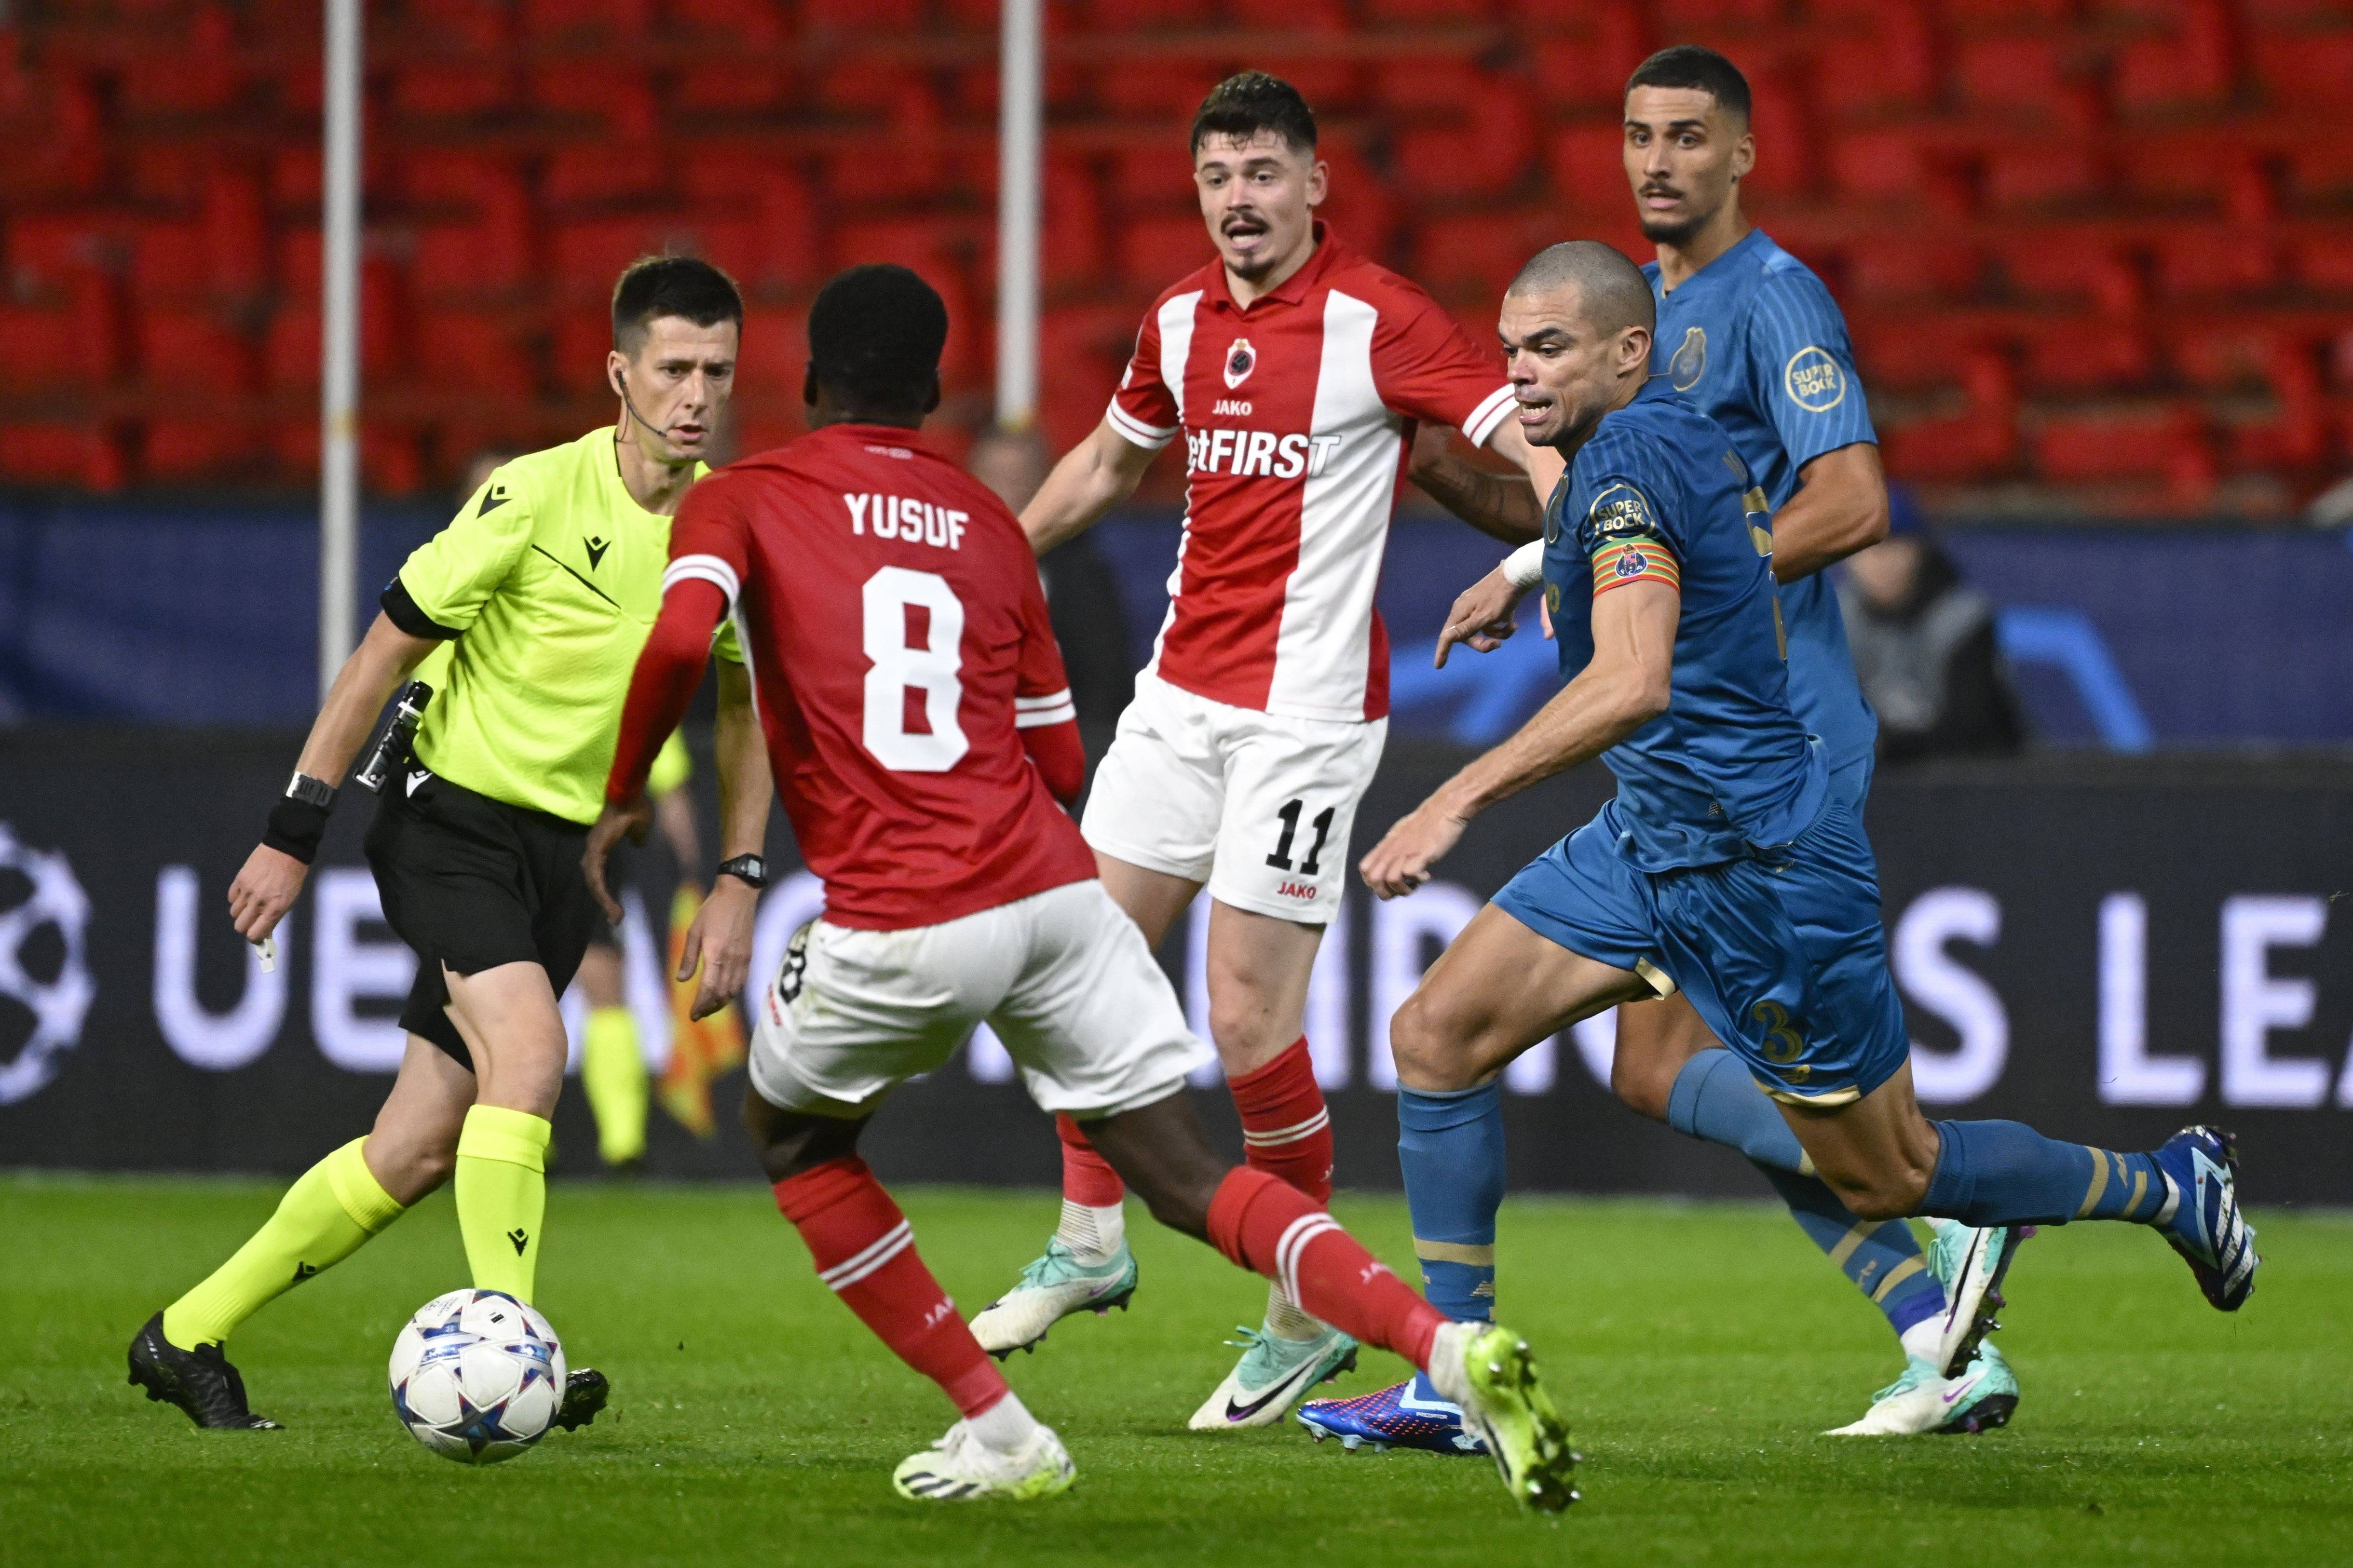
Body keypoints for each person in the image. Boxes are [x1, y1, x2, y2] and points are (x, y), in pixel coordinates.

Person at [585, 262, 1578, 1508]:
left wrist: (626, 792)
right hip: (1052, 897)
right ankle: (1440, 1343)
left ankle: (999, 1427)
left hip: (899, 909)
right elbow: (1058, 756)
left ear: (803, 382)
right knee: (1183, 1170)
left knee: (795, 1136)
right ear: (935, 390)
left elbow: (682, 641)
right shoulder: (993, 526)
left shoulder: (742, 499)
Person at [1336, 241, 2258, 1459]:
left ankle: (2168, 1185)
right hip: (1648, 839)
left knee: (1895, 1172)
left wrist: (1455, 796)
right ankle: (1460, 1375)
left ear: (1629, 350)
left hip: (1759, 875)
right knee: (1436, 1035)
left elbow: (1632, 673)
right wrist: (1490, 532)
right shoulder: (1646, 443)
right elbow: (1575, 524)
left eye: (1548, 348)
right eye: (1509, 349)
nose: (1521, 373)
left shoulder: (1631, 470)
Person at [1327, 43, 2008, 1448]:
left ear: (1743, 155)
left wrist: (1702, 567)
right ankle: (1935, 1310)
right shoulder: (1646, 316)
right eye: (1639, 134)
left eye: (1690, 137)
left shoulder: (1772, 301)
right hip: (1687, 765)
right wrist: (1532, 576)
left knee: (1570, 1048)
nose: (1659, 161)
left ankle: (1939, 1233)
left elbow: (1856, 497)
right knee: (1653, 1071)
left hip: (1770, 750)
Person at [970, 69, 1553, 1432]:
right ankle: (1090, 1238)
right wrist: (992, 556)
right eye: (1218, 178)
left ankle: (1299, 1312)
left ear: (1311, 189)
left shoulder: (1377, 318)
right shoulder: (1173, 321)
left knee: (1242, 1017)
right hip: (1176, 697)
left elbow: (1532, 441)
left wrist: (1538, 561)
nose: (1240, 200)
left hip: (1302, 720)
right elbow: (1110, 467)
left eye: (1263, 176)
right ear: (1199, 193)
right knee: (1072, 961)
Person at [126, 256, 768, 1431]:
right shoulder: (531, 499)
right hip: (450, 822)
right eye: (674, 367)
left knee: (415, 1146)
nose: (696, 393)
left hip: (567, 858)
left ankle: (185, 1333)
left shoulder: (729, 528)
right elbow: (380, 655)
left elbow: (743, 708)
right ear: (619, 371)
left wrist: (737, 870)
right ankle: (509, 1352)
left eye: (717, 370)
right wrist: (291, 834)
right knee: (530, 1056)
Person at [1837, 508, 2025, 764]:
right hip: (1873, 788)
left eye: (1894, 545)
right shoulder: (1835, 619)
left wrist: (1889, 747)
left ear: (1920, 549)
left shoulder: (1962, 619)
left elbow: (1979, 731)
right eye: (1864, 546)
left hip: (1972, 782)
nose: (1879, 560)